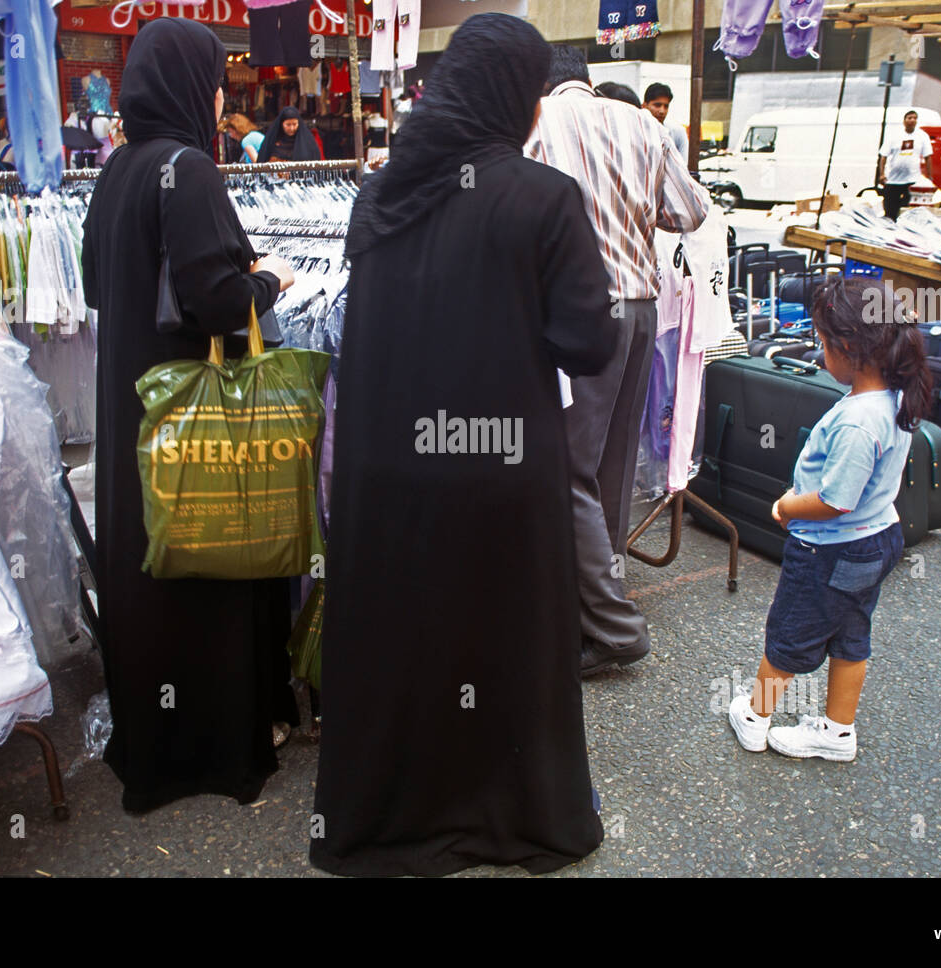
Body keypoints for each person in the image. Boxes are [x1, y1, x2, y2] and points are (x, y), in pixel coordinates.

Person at [310, 13, 617, 877]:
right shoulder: (544, 199)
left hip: (389, 471)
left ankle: (391, 818)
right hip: (500, 469)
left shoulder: (380, 193)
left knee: (406, 638)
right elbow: (588, 344)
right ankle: (514, 813)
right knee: (503, 638)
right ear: (518, 98)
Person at [80, 18, 298, 813]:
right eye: (213, 82)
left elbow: (100, 286)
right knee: (209, 565)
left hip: (134, 411)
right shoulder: (190, 169)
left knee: (149, 565)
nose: (217, 98)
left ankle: (156, 740)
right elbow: (218, 301)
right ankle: (214, 743)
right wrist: (270, 278)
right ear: (185, 86)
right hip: (195, 418)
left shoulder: (117, 172)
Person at [526, 45, 709, 677]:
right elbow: (690, 211)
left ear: (542, 82)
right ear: (588, 80)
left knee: (564, 470)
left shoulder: (537, 121)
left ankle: (611, 626)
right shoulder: (643, 124)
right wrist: (629, 208)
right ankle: (601, 597)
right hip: (639, 309)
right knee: (610, 465)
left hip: (581, 312)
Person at [728, 277, 930, 763]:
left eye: (822, 343)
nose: (820, 354)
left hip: (830, 546)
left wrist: (787, 506)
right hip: (877, 538)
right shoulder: (897, 398)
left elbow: (836, 499)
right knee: (851, 636)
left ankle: (755, 719)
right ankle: (838, 732)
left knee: (788, 636)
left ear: (846, 347)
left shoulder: (859, 421)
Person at [875, 109, 933, 221]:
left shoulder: (922, 136)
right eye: (909, 118)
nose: (912, 120)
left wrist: (929, 176)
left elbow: (928, 157)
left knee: (908, 210)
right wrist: (881, 174)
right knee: (890, 210)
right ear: (904, 121)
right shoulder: (894, 136)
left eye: (915, 118)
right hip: (893, 180)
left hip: (912, 180)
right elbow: (883, 156)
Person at [256, 105, 322, 161]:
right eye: (288, 125)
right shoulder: (272, 140)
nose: (291, 128)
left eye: (294, 124)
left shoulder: (307, 141)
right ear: (281, 124)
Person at [643, 81, 689, 156]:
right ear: (644, 106)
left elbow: (683, 165)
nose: (662, 111)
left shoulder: (677, 133)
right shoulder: (636, 132)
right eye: (657, 105)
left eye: (666, 106)